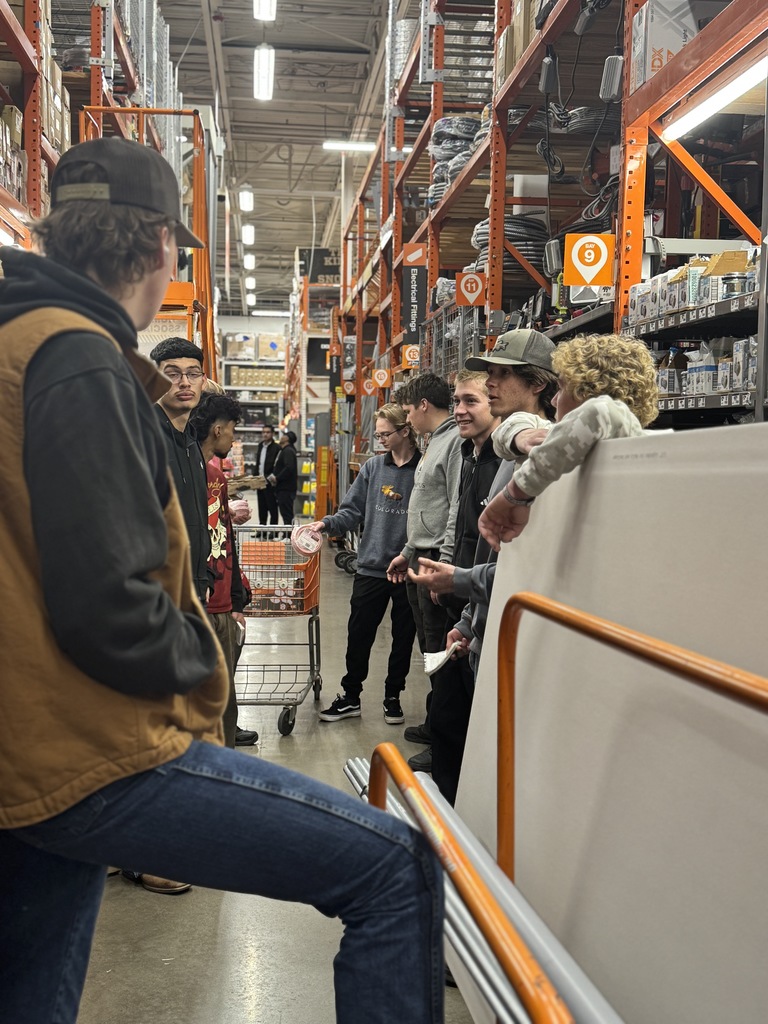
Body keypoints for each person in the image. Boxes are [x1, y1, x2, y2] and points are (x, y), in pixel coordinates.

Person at [0, 136, 444, 1024]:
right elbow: (110, 607)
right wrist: (205, 663)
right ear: (166, 249)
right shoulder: (75, 356)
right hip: (87, 749)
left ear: (52, 236)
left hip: (27, 741)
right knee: (394, 867)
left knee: (29, 992)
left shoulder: (19, 341)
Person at [407, 330, 558, 780]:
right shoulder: (503, 454)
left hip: (516, 634)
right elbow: (494, 551)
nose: (493, 382)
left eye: (503, 374)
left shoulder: (544, 458)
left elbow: (523, 568)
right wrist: (468, 624)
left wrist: (457, 583)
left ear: (539, 384)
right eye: (489, 373)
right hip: (486, 626)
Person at [478, 332, 660, 550]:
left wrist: (515, 494)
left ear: (587, 394)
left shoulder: (629, 445)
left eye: (562, 388)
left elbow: (601, 412)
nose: (554, 400)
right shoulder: (552, 439)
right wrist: (520, 435)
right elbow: (509, 429)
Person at [305, 404, 420, 725]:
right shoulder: (372, 468)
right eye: (378, 433)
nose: (380, 439)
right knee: (359, 635)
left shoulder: (424, 469)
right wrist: (325, 525)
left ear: (405, 431)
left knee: (403, 637)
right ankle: (351, 696)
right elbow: (351, 511)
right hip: (371, 568)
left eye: (385, 434)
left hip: (409, 570)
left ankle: (393, 696)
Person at [424, 371, 501, 803]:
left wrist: (462, 585)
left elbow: (507, 553)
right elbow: (463, 520)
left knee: (465, 721)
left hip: (484, 598)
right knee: (449, 715)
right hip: (472, 598)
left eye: (472, 401)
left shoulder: (504, 460)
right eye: (457, 401)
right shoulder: (473, 455)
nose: (459, 411)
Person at [386, 372, 463, 771]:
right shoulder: (434, 442)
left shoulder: (452, 443)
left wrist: (443, 563)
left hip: (436, 558)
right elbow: (425, 507)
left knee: (439, 650)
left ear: (423, 407)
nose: (407, 421)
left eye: (407, 412)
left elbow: (454, 507)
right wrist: (406, 552)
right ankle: (436, 722)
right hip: (420, 555)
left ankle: (442, 740)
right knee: (427, 645)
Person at [189, 392, 258, 748]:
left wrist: (236, 597)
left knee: (223, 701)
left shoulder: (215, 475)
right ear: (217, 430)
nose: (234, 438)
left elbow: (223, 539)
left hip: (220, 606)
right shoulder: (181, 472)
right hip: (193, 606)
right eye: (232, 430)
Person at [149, 335, 213, 605]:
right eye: (172, 374)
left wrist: (203, 579)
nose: (185, 382)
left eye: (192, 373)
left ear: (203, 380)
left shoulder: (191, 442)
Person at [269, 429, 298, 525]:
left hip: (286, 488)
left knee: (287, 513)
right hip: (283, 488)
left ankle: (289, 535)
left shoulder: (288, 451)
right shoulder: (285, 450)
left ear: (287, 438)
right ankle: (288, 534)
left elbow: (289, 468)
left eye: (284, 435)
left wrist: (277, 478)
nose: (281, 437)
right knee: (285, 511)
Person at [254, 423, 279, 525]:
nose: (265, 434)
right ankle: (262, 530)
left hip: (270, 482)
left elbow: (277, 465)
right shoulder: (260, 446)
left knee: (272, 507)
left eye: (268, 432)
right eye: (263, 432)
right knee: (262, 507)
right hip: (259, 482)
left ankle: (274, 531)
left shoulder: (276, 448)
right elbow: (258, 463)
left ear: (272, 434)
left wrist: (272, 477)